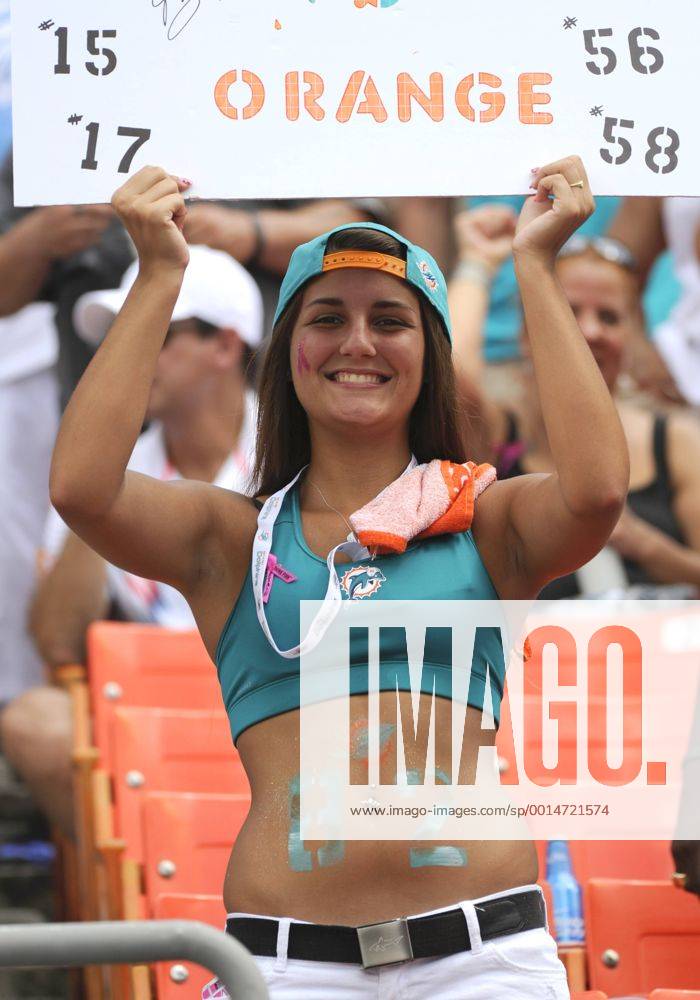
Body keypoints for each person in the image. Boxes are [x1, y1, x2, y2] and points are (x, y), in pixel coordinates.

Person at [48, 158, 627, 998]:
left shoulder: (488, 521)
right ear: (289, 354)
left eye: (391, 320)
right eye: (328, 317)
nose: (358, 342)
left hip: (485, 958)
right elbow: (81, 490)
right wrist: (159, 272)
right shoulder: (231, 539)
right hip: (283, 966)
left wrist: (534, 264)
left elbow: (599, 492)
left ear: (429, 355)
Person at [0, 245, 262, 840]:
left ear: (224, 346)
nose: (133, 354)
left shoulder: (301, 448)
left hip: (278, 701)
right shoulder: (98, 469)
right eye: (123, 334)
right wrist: (101, 504)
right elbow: (57, 643)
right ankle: (140, 920)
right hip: (156, 713)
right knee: (37, 723)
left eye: (157, 334)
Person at [449, 207, 700, 598]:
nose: (589, 331)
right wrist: (478, 263)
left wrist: (647, 546)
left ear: (634, 336)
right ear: (524, 334)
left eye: (610, 317)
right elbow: (453, 377)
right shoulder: (496, 434)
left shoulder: (676, 442)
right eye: (567, 313)